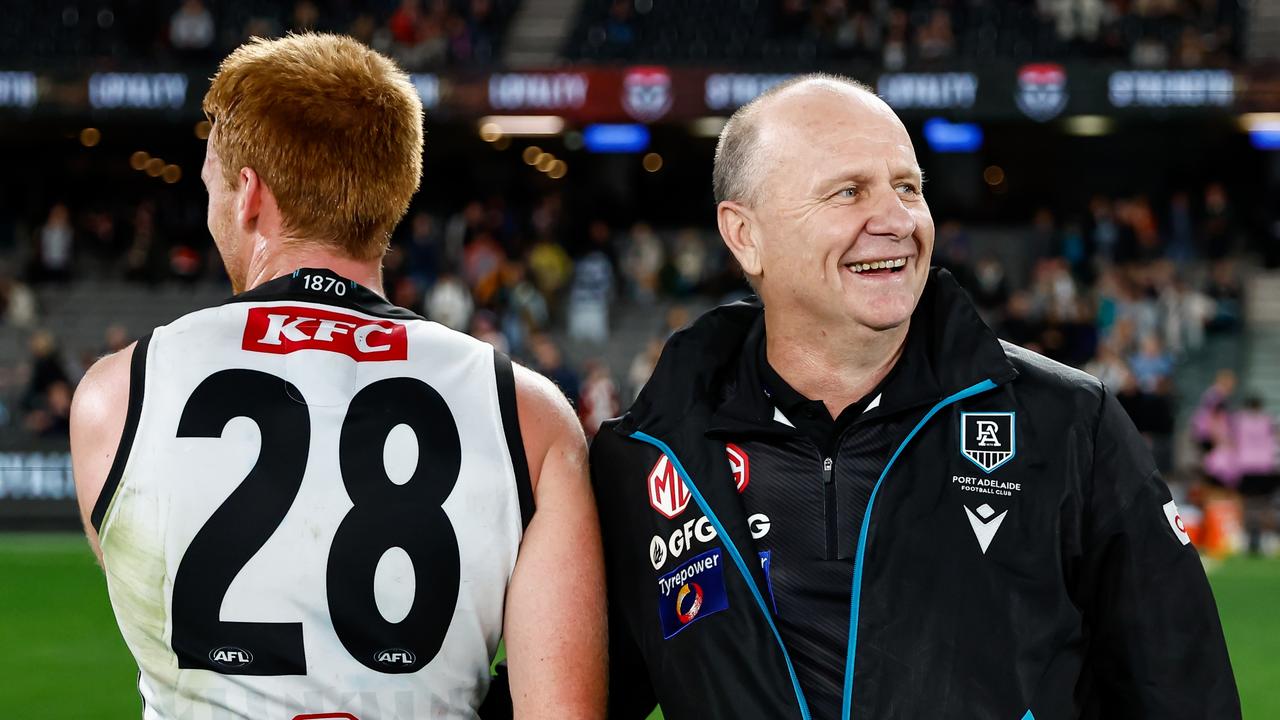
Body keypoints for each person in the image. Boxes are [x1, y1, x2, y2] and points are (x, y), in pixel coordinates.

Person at [589, 74, 1238, 719]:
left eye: (907, 187)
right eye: (848, 192)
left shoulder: (1068, 425)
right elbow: (566, 694)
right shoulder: (649, 457)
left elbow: (1182, 693)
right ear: (744, 235)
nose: (897, 221)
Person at [70, 34, 604, 719]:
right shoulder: (531, 415)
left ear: (248, 196)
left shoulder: (116, 394)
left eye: (210, 185)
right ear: (393, 196)